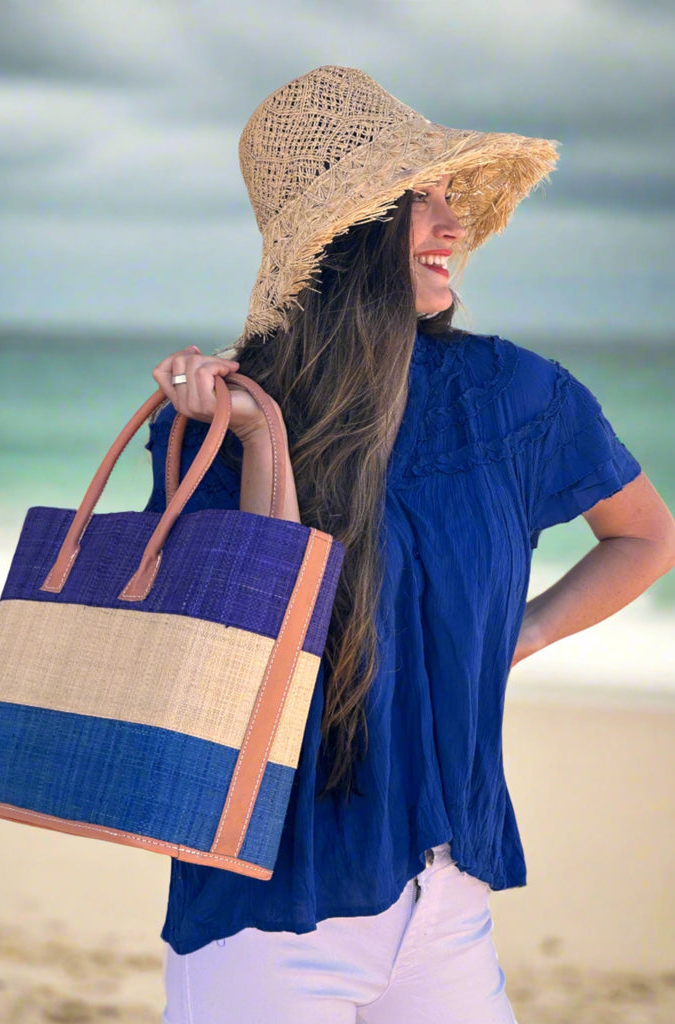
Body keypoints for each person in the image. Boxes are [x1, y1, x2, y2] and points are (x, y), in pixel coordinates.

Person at [146, 66, 675, 1024]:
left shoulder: (518, 398)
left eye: (448, 197)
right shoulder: (228, 419)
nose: (452, 225)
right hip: (268, 909)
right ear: (346, 236)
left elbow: (643, 537)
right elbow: (261, 650)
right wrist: (259, 441)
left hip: (448, 903)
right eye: (415, 201)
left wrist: (520, 635)